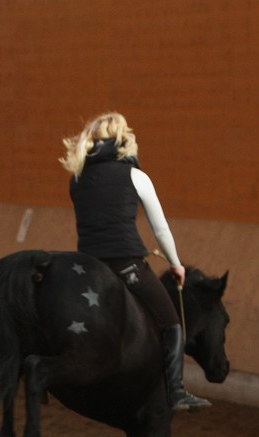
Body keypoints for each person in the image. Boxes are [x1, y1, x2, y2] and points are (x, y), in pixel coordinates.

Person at [60, 112, 210, 412]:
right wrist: (176, 263)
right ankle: (176, 391)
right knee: (171, 323)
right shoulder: (135, 176)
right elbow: (160, 228)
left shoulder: (77, 177)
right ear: (124, 139)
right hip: (126, 263)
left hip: (88, 266)